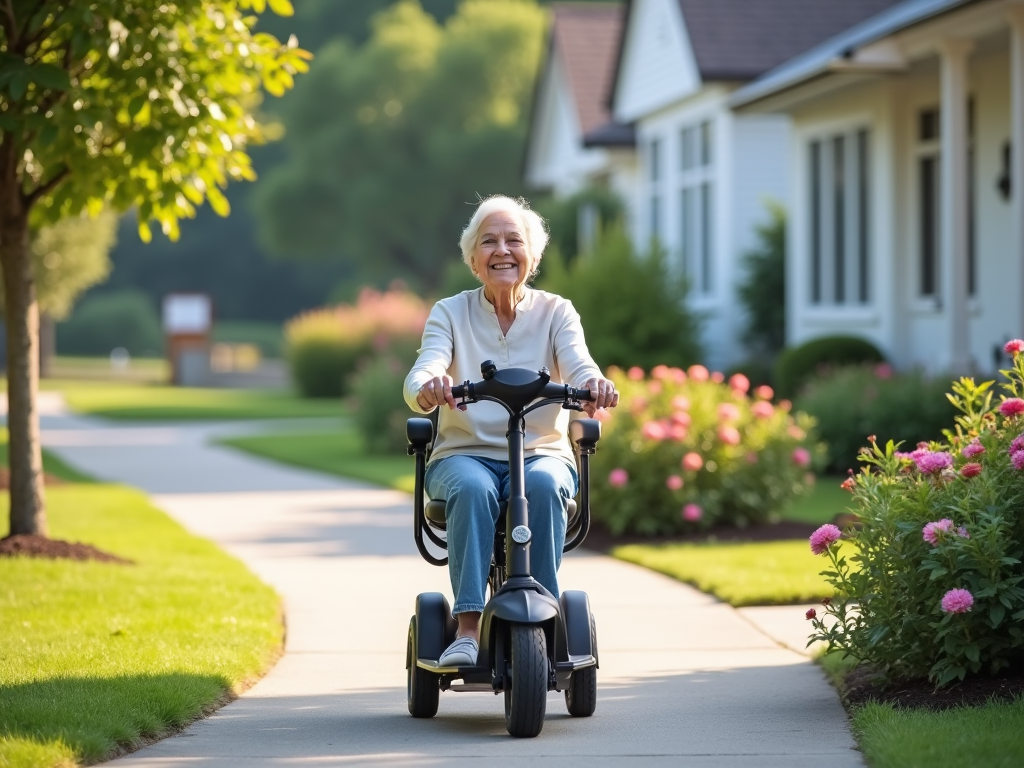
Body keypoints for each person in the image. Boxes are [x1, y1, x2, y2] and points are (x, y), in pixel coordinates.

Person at [403, 195, 618, 667]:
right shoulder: (450, 312)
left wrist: (593, 386)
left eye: (514, 240)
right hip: (465, 454)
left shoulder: (557, 312)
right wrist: (429, 386)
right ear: (474, 260)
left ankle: (542, 611)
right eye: (489, 241)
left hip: (541, 452)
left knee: (542, 485)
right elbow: (424, 370)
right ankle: (467, 627)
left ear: (532, 257)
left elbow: (580, 365)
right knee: (474, 487)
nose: (503, 249)